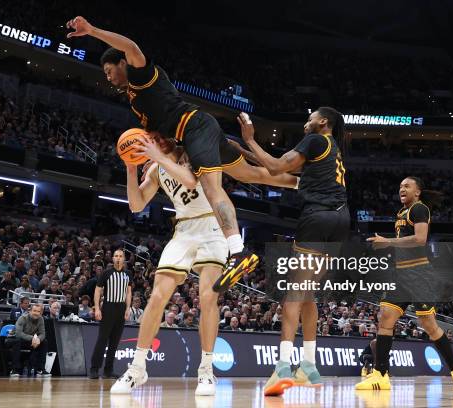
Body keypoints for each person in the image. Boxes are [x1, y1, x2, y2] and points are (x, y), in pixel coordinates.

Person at [65, 16, 300, 292]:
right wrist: (152, 155)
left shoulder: (141, 76)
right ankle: (306, 183)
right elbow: (163, 137)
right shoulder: (136, 100)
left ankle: (237, 251)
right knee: (252, 174)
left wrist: (92, 31)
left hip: (194, 127)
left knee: (212, 189)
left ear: (122, 64)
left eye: (108, 69)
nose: (107, 76)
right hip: (194, 133)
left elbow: (130, 46)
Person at [238, 108, 350, 396]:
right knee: (309, 294)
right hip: (340, 220)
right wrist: (243, 150)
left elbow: (276, 167)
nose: (306, 121)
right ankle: (309, 367)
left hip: (318, 217)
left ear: (323, 122)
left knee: (294, 293)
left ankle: (283, 367)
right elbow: (278, 167)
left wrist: (250, 140)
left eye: (311, 117)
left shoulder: (315, 141)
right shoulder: (331, 150)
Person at [111, 136, 228, 396]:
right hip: (184, 229)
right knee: (156, 297)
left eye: (159, 139)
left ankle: (207, 370)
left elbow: (190, 180)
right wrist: (131, 169)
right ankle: (138, 367)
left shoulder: (195, 151)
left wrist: (157, 157)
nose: (156, 142)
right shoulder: (156, 169)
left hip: (213, 224)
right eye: (152, 139)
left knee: (208, 298)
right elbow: (136, 204)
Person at [356, 177, 453, 391]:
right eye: (400, 187)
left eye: (407, 186)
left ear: (417, 192)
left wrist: (388, 241)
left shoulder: (419, 208)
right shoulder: (401, 213)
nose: (402, 189)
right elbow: (404, 243)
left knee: (429, 325)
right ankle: (380, 375)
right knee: (386, 319)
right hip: (400, 274)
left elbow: (420, 239)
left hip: (419, 274)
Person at [89, 250, 132, 380]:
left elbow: (129, 292)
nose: (118, 258)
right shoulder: (106, 273)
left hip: (121, 308)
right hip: (108, 307)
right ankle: (94, 369)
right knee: (102, 339)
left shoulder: (128, 274)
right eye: (116, 256)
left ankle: (108, 370)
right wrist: (97, 308)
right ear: (113, 258)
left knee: (114, 342)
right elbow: (97, 291)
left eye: (121, 256)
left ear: (124, 259)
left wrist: (128, 308)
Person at [9, 303, 51, 377]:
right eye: (34, 311)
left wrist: (38, 339)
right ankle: (15, 370)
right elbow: (18, 334)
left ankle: (40, 369)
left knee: (44, 342)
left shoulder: (41, 319)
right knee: (17, 341)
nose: (36, 313)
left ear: (40, 313)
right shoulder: (22, 318)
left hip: (29, 341)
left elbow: (43, 334)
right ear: (30, 311)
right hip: (14, 339)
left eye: (38, 311)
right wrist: (33, 338)